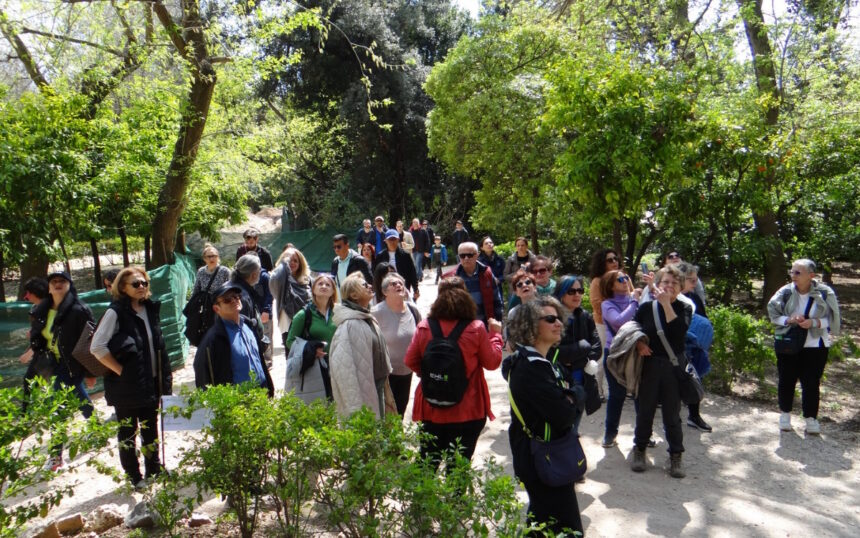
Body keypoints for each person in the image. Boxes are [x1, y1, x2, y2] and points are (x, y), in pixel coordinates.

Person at [503, 296, 584, 536]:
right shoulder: (532, 368)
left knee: (542, 523)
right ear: (530, 326)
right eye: (549, 319)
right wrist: (577, 395)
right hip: (542, 459)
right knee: (567, 528)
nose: (558, 323)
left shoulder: (535, 361)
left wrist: (569, 398)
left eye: (558, 318)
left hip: (539, 455)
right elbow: (564, 415)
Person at [404, 277, 503, 465]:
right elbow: (492, 363)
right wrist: (496, 335)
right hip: (468, 409)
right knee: (458, 468)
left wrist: (432, 375)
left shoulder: (425, 326)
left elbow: (410, 360)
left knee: (427, 464)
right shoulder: (475, 328)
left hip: (431, 406)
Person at [90, 267, 172, 487]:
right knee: (128, 432)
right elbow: (97, 347)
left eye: (144, 283)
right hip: (126, 386)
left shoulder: (149, 308)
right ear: (122, 288)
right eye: (136, 284)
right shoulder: (115, 312)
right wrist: (120, 371)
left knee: (150, 427)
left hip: (150, 382)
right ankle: (133, 476)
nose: (141, 287)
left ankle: (153, 469)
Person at [29, 271, 96, 471]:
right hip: (52, 364)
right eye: (54, 281)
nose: (57, 284)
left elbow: (90, 341)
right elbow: (38, 337)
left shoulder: (79, 309)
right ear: (49, 287)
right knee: (78, 395)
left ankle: (56, 455)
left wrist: (90, 372)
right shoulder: (42, 309)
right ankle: (97, 426)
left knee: (56, 407)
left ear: (69, 285)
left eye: (62, 281)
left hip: (72, 364)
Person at [629, 265, 692, 478]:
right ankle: (640, 449)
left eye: (674, 283)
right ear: (658, 284)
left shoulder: (684, 308)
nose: (669, 286)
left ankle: (676, 455)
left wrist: (666, 305)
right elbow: (633, 329)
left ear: (681, 287)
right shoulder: (647, 307)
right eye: (666, 282)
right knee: (645, 410)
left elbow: (678, 333)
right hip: (650, 365)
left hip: (673, 367)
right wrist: (639, 344)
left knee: (672, 414)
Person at [767, 259, 840, 435]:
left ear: (811, 275)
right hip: (788, 342)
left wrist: (813, 322)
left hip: (815, 345)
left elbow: (832, 319)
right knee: (786, 379)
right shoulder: (784, 292)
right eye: (792, 272)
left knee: (811, 383)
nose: (793, 276)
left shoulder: (825, 293)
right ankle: (785, 415)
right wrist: (789, 320)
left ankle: (810, 419)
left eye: (798, 272)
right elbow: (773, 315)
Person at [193, 282, 274, 396]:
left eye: (236, 297)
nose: (234, 301)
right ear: (216, 308)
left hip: (262, 395)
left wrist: (269, 389)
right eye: (227, 300)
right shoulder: (213, 339)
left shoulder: (249, 325)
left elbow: (259, 360)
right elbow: (203, 375)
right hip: (238, 401)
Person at [329, 273, 392, 418]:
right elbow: (343, 368)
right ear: (353, 295)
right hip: (366, 389)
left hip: (378, 385)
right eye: (364, 285)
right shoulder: (350, 324)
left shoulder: (366, 317)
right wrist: (354, 405)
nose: (370, 286)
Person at [553, 275, 602, 434]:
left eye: (580, 290)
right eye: (571, 291)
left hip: (582, 378)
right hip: (559, 379)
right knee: (560, 421)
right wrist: (583, 347)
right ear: (561, 293)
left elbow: (597, 347)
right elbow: (554, 351)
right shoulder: (552, 318)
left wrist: (580, 359)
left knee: (576, 419)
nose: (577, 295)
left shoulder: (585, 316)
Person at [601, 269, 642, 448]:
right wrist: (635, 301)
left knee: (640, 395)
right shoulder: (607, 304)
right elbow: (619, 321)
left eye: (626, 277)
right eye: (620, 279)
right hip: (615, 354)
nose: (625, 281)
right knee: (617, 395)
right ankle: (610, 433)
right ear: (610, 285)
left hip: (636, 353)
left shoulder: (636, 299)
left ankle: (643, 435)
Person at [372, 273, 421, 416]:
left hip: (407, 371)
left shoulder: (413, 309)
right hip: (386, 374)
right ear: (384, 291)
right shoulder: (376, 313)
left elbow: (421, 335)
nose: (399, 285)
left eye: (401, 283)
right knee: (387, 414)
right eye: (393, 284)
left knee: (401, 410)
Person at [285, 274, 338, 404]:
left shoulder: (338, 313)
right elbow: (290, 342)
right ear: (313, 289)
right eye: (320, 284)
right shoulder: (303, 315)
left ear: (333, 291)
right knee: (318, 404)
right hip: (314, 368)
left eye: (328, 285)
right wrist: (311, 350)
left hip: (336, 365)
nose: (324, 286)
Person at [444, 242, 503, 327]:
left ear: (477, 255)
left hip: (485, 325)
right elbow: (444, 306)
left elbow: (497, 300)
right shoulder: (450, 278)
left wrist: (498, 321)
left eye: (470, 255)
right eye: (462, 256)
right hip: (460, 328)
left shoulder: (487, 273)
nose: (466, 258)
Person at [589, 248, 622, 400]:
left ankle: (622, 388)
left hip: (622, 324)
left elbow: (630, 297)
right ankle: (598, 390)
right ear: (602, 263)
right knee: (603, 357)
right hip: (603, 324)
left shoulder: (622, 277)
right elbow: (596, 304)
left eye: (615, 259)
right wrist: (615, 312)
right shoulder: (597, 281)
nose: (614, 262)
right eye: (610, 260)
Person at [233, 254, 274, 367]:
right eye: (259, 270)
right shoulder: (242, 297)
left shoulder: (237, 288)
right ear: (254, 274)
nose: (261, 272)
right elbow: (241, 332)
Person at [269, 247, 311, 346]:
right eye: (289, 260)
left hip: (305, 322)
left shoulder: (307, 280)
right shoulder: (280, 280)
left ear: (300, 263)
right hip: (288, 324)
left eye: (295, 261)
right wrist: (284, 262)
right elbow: (275, 279)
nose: (292, 263)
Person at [373, 229, 420, 301]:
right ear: (385, 241)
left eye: (394, 239)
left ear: (398, 240)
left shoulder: (405, 255)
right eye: (390, 239)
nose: (392, 242)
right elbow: (376, 274)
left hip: (402, 288)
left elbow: (412, 273)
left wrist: (415, 289)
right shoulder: (380, 256)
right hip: (386, 290)